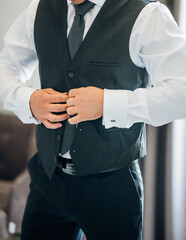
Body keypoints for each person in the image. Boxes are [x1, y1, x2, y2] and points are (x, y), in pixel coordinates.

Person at [0, 0, 186, 239]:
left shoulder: (146, 14)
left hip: (112, 184)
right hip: (47, 178)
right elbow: (5, 66)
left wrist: (108, 104)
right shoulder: (39, 8)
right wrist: (28, 100)